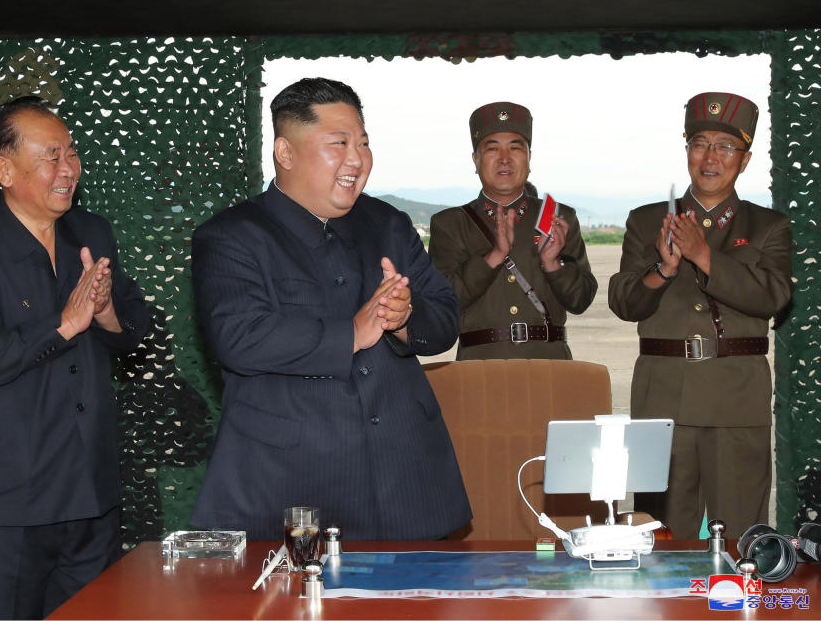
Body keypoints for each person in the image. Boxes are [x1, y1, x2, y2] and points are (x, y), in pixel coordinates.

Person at [189, 78, 471, 541]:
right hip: (293, 482)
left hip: (407, 478)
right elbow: (239, 338)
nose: (356, 159)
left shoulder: (389, 224)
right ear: (285, 152)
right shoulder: (232, 236)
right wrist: (352, 333)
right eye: (338, 143)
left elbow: (443, 321)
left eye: (362, 143)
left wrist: (403, 319)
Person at [0, 96, 150, 619]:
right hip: (10, 498)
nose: (68, 169)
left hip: (89, 489)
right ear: (4, 170)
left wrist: (101, 313)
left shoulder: (92, 233)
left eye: (71, 153)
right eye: (51, 156)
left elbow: (133, 331)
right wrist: (62, 324)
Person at [608, 92, 792, 539]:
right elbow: (625, 302)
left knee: (741, 535)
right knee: (661, 535)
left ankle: (737, 608)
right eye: (699, 143)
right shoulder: (647, 220)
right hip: (662, 396)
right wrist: (664, 268)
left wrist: (705, 256)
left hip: (736, 399)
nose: (710, 157)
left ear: (744, 160)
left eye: (725, 147)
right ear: (687, 150)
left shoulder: (767, 226)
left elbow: (774, 296)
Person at [428, 102, 596, 360]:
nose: (505, 159)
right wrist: (492, 257)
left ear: (529, 157)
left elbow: (581, 300)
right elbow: (441, 301)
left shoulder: (556, 217)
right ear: (476, 160)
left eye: (516, 148)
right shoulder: (451, 223)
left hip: (548, 367)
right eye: (493, 148)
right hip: (479, 369)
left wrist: (553, 265)